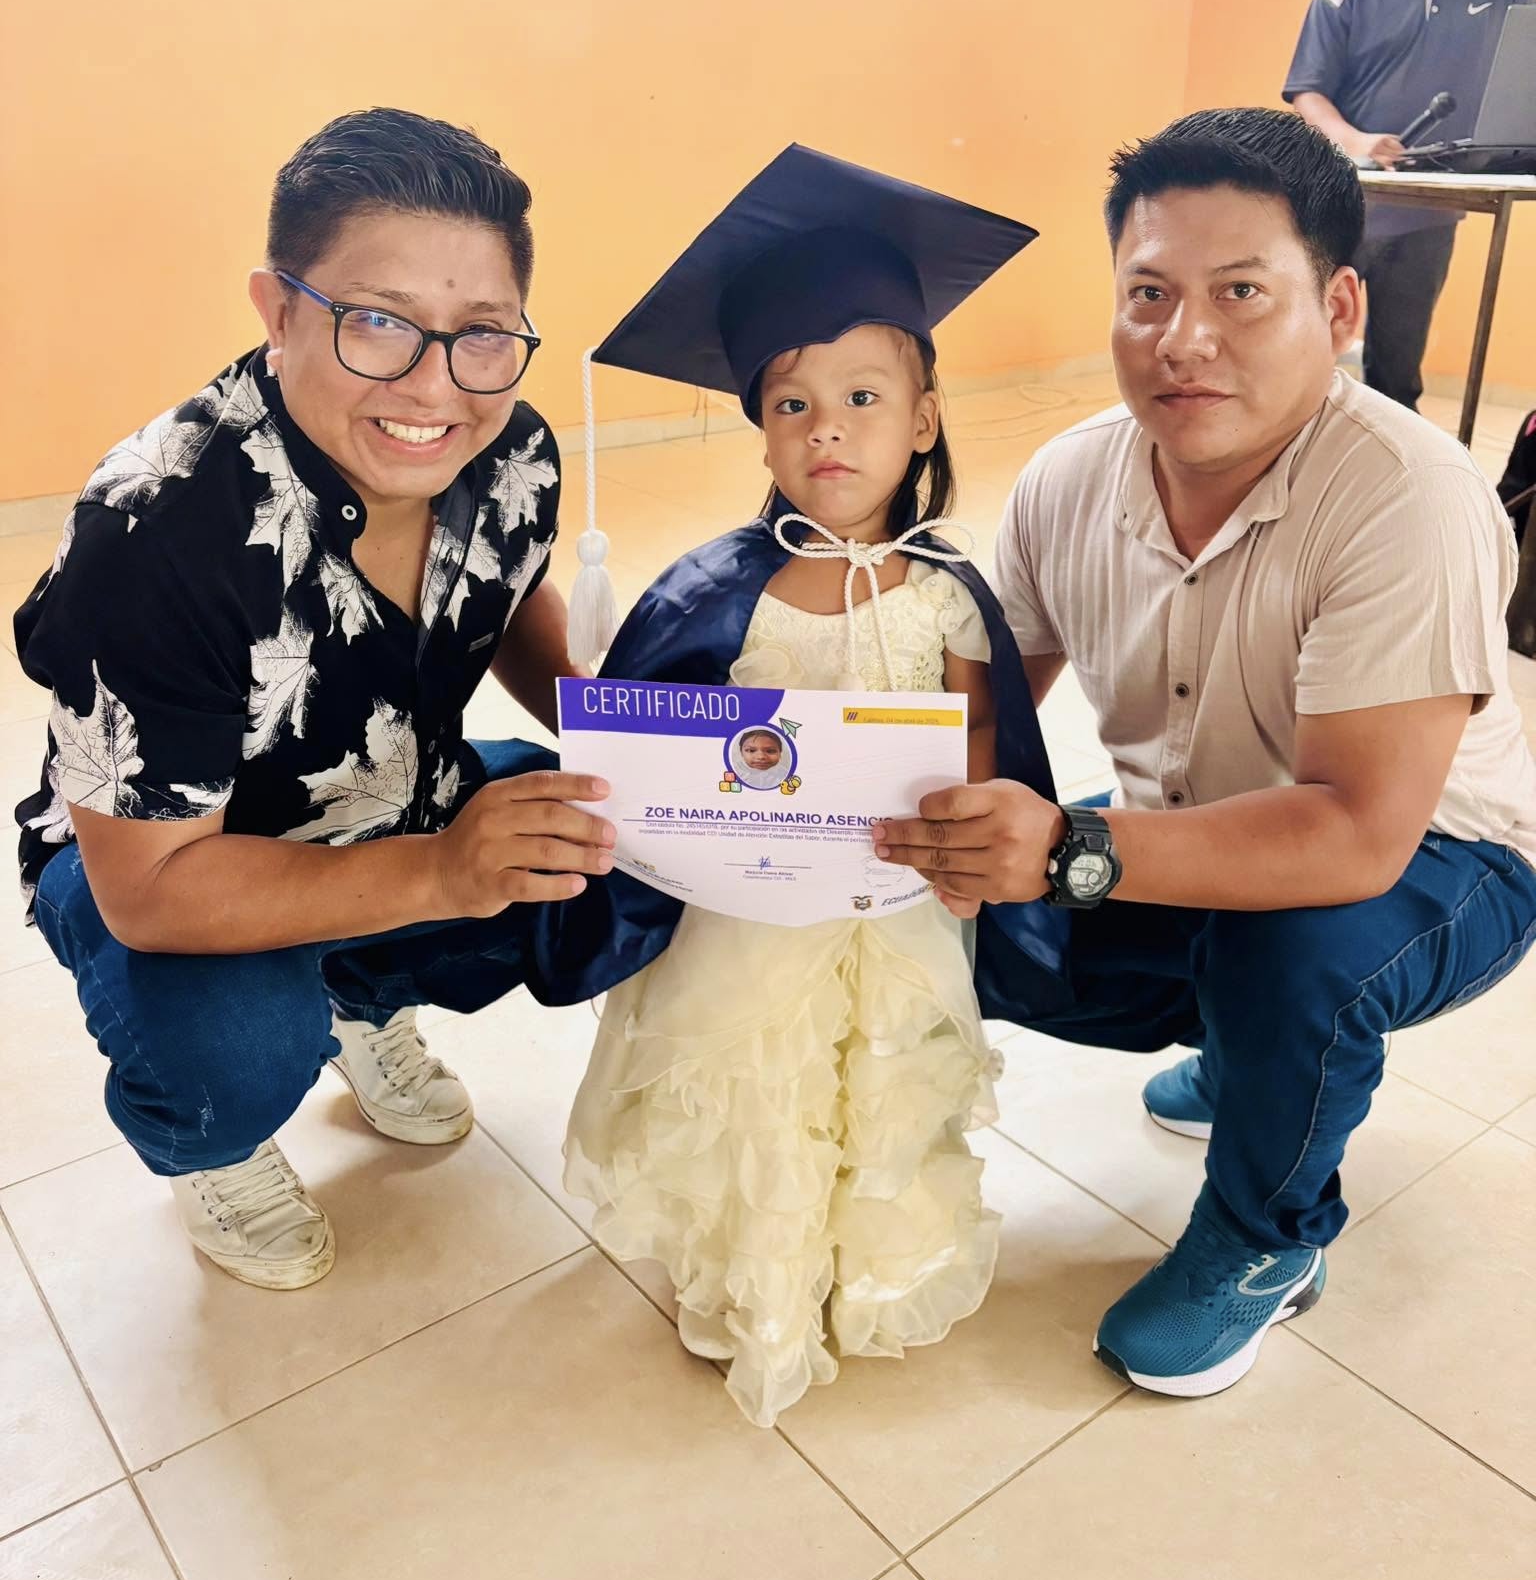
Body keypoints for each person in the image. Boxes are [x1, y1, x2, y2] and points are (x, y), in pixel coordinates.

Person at [874, 107, 1536, 1398]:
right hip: (1197, 828)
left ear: (1339, 308)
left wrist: (1069, 847)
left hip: (1446, 857)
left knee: (1287, 958)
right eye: (1149, 294)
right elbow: (979, 719)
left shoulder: (1407, 497)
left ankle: (1265, 1235)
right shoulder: (1069, 481)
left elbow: (1355, 834)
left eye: (1240, 292)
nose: (1183, 338)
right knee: (949, 901)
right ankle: (1243, 1054)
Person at [13, 108, 617, 1290]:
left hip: (389, 794)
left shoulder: (512, 450)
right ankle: (212, 1139)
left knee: (608, 845)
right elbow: (151, 888)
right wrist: (441, 873)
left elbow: (504, 598)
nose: (434, 385)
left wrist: (627, 728)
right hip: (169, 857)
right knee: (235, 1045)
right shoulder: (156, 527)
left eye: (482, 332)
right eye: (378, 320)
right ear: (278, 310)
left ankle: (357, 990)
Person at [559, 146, 1066, 1426]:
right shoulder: (710, 591)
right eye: (791, 402)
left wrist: (974, 851)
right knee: (761, 1088)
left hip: (896, 903)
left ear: (924, 418)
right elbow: (659, 749)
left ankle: (868, 1268)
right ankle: (758, 1284)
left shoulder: (948, 592)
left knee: (879, 1080)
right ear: (760, 424)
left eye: (861, 395)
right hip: (749, 914)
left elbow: (986, 732)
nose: (827, 426)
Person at [1283, 0, 1532, 410]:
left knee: (1397, 377)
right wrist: (1358, 142)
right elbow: (1307, 92)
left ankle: (1391, 465)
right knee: (1304, 360)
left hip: (1432, 213)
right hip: (1345, 203)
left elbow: (1521, 83)